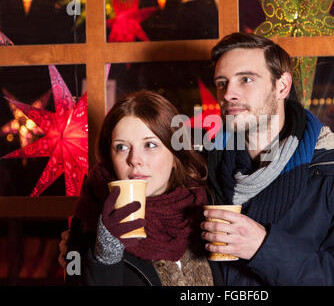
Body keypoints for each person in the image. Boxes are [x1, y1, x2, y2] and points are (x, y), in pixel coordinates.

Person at [199, 32, 334, 285]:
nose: (228, 94)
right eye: (222, 83)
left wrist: (264, 248)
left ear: (282, 86)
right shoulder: (202, 170)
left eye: (246, 79)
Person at [62, 90, 223, 286]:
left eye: (150, 145)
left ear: (175, 155)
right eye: (121, 147)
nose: (134, 160)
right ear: (110, 158)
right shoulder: (87, 221)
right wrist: (106, 254)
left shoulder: (206, 208)